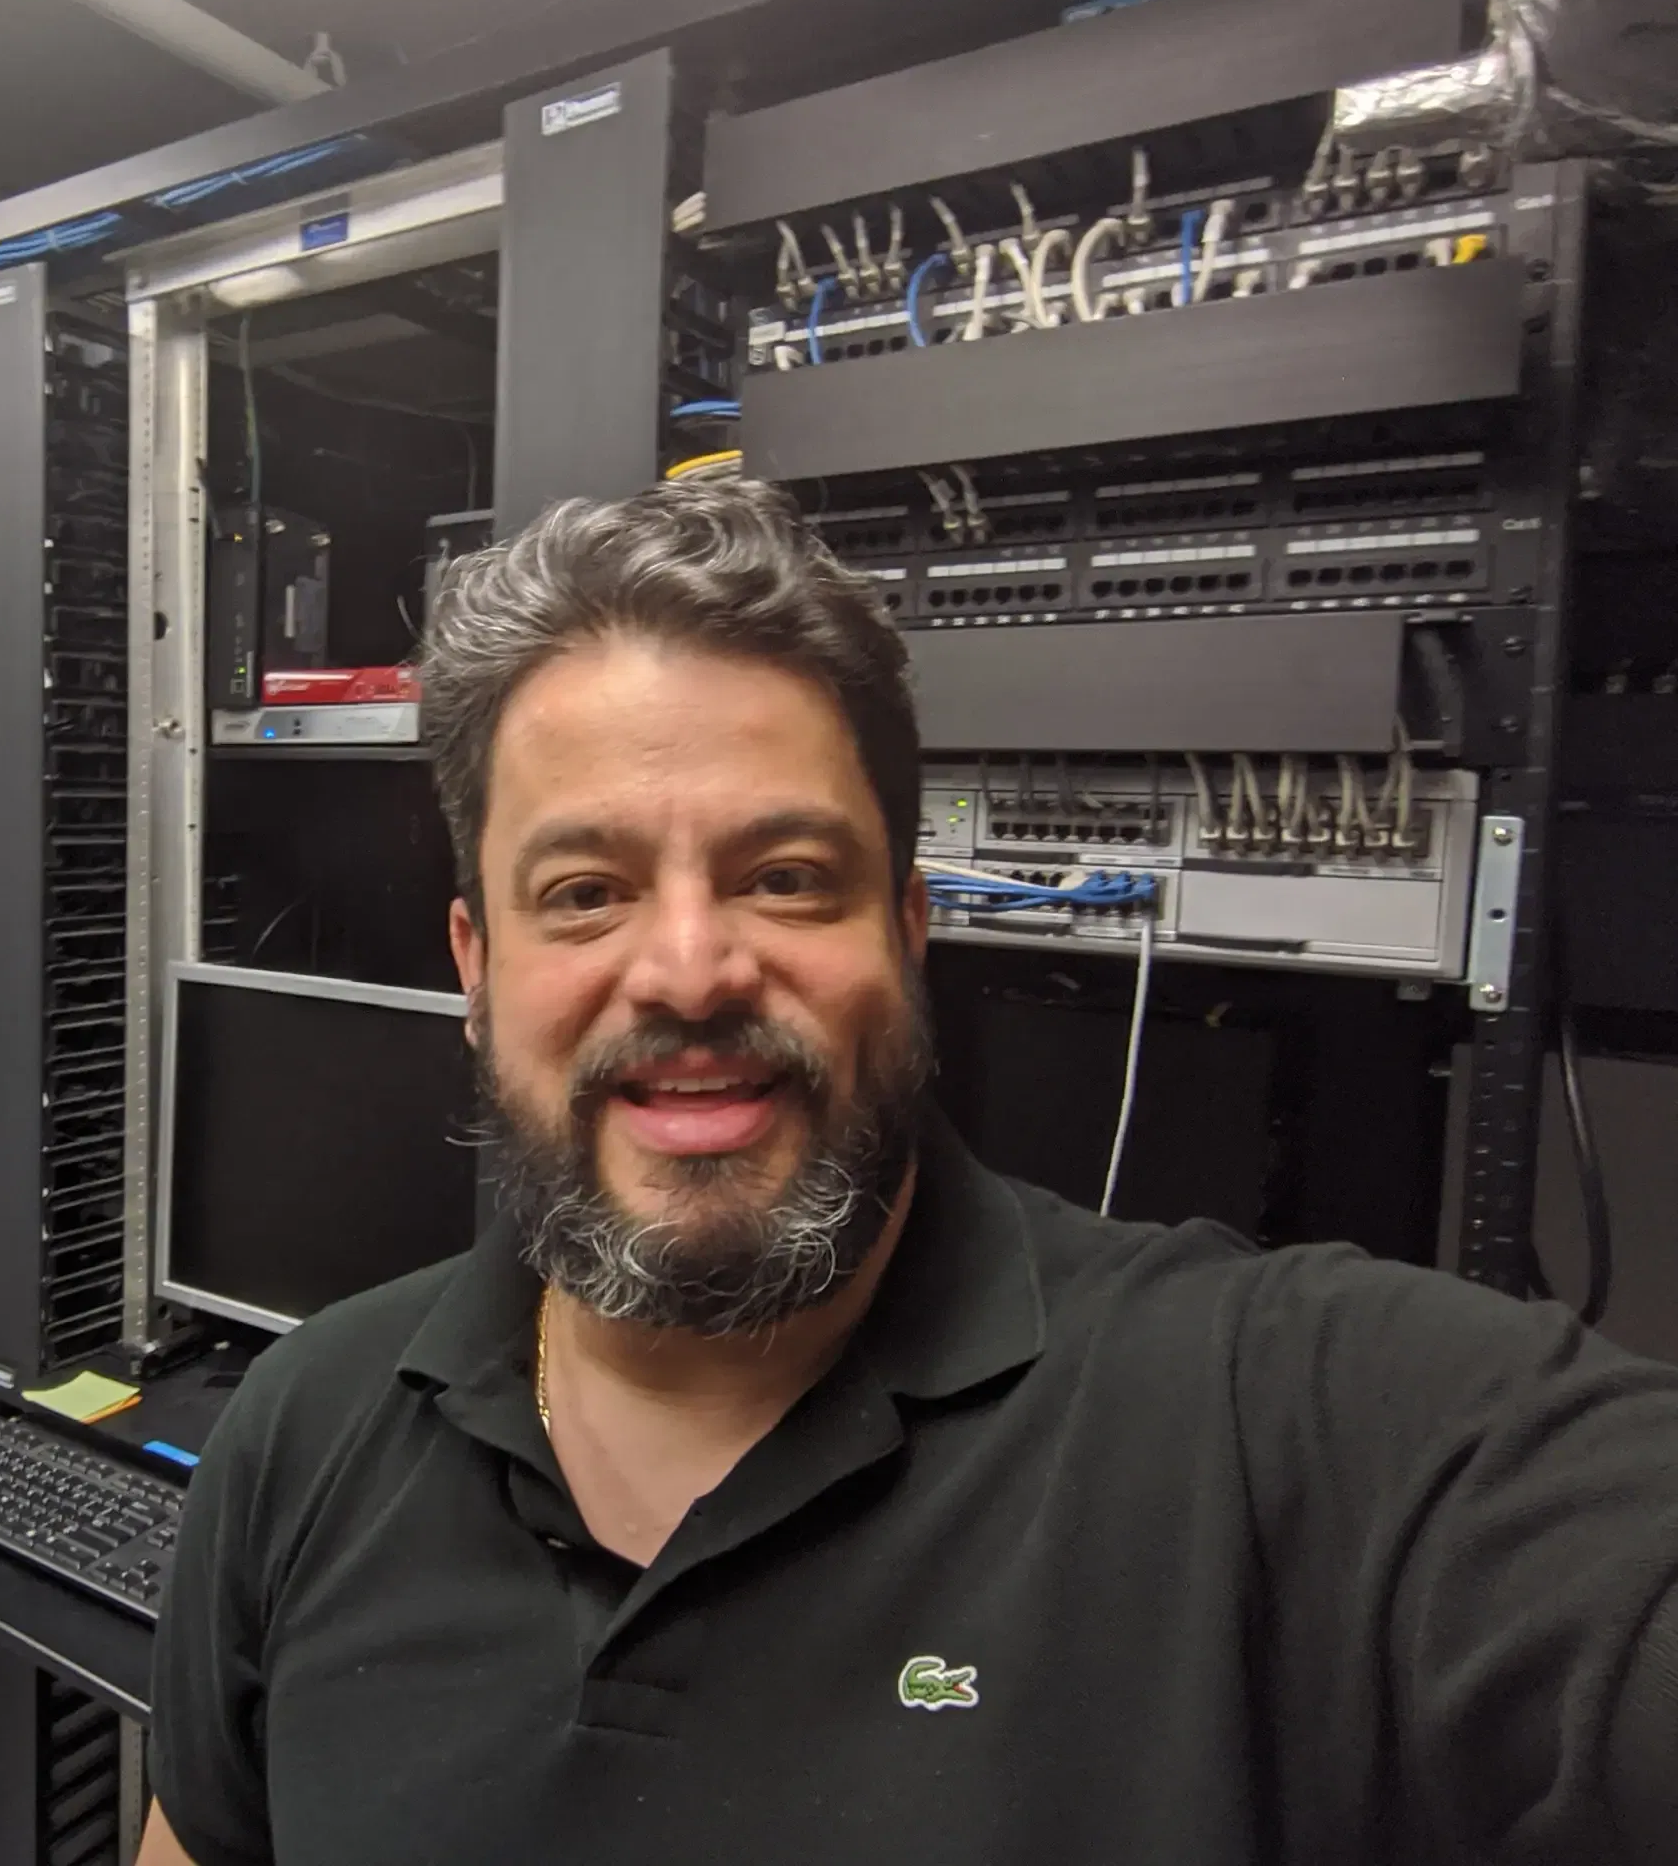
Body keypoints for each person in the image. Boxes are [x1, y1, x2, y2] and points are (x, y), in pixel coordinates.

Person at [136, 478, 1678, 1866]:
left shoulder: (1282, 1427)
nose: (689, 969)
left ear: (909, 932)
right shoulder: (304, 1433)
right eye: (587, 892)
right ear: (478, 969)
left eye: (786, 877)